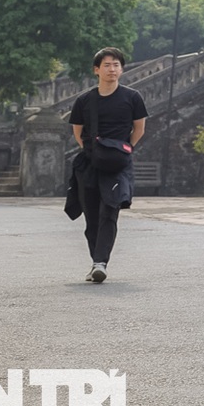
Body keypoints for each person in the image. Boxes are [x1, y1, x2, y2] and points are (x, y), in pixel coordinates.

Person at [66, 48, 147, 284]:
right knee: (91, 216)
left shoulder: (132, 97)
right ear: (96, 70)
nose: (112, 69)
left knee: (110, 211)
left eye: (116, 65)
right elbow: (78, 133)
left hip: (118, 165)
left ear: (121, 69)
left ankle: (100, 263)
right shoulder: (84, 100)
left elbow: (139, 129)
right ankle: (96, 262)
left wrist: (120, 150)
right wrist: (96, 152)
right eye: (107, 65)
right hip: (90, 164)